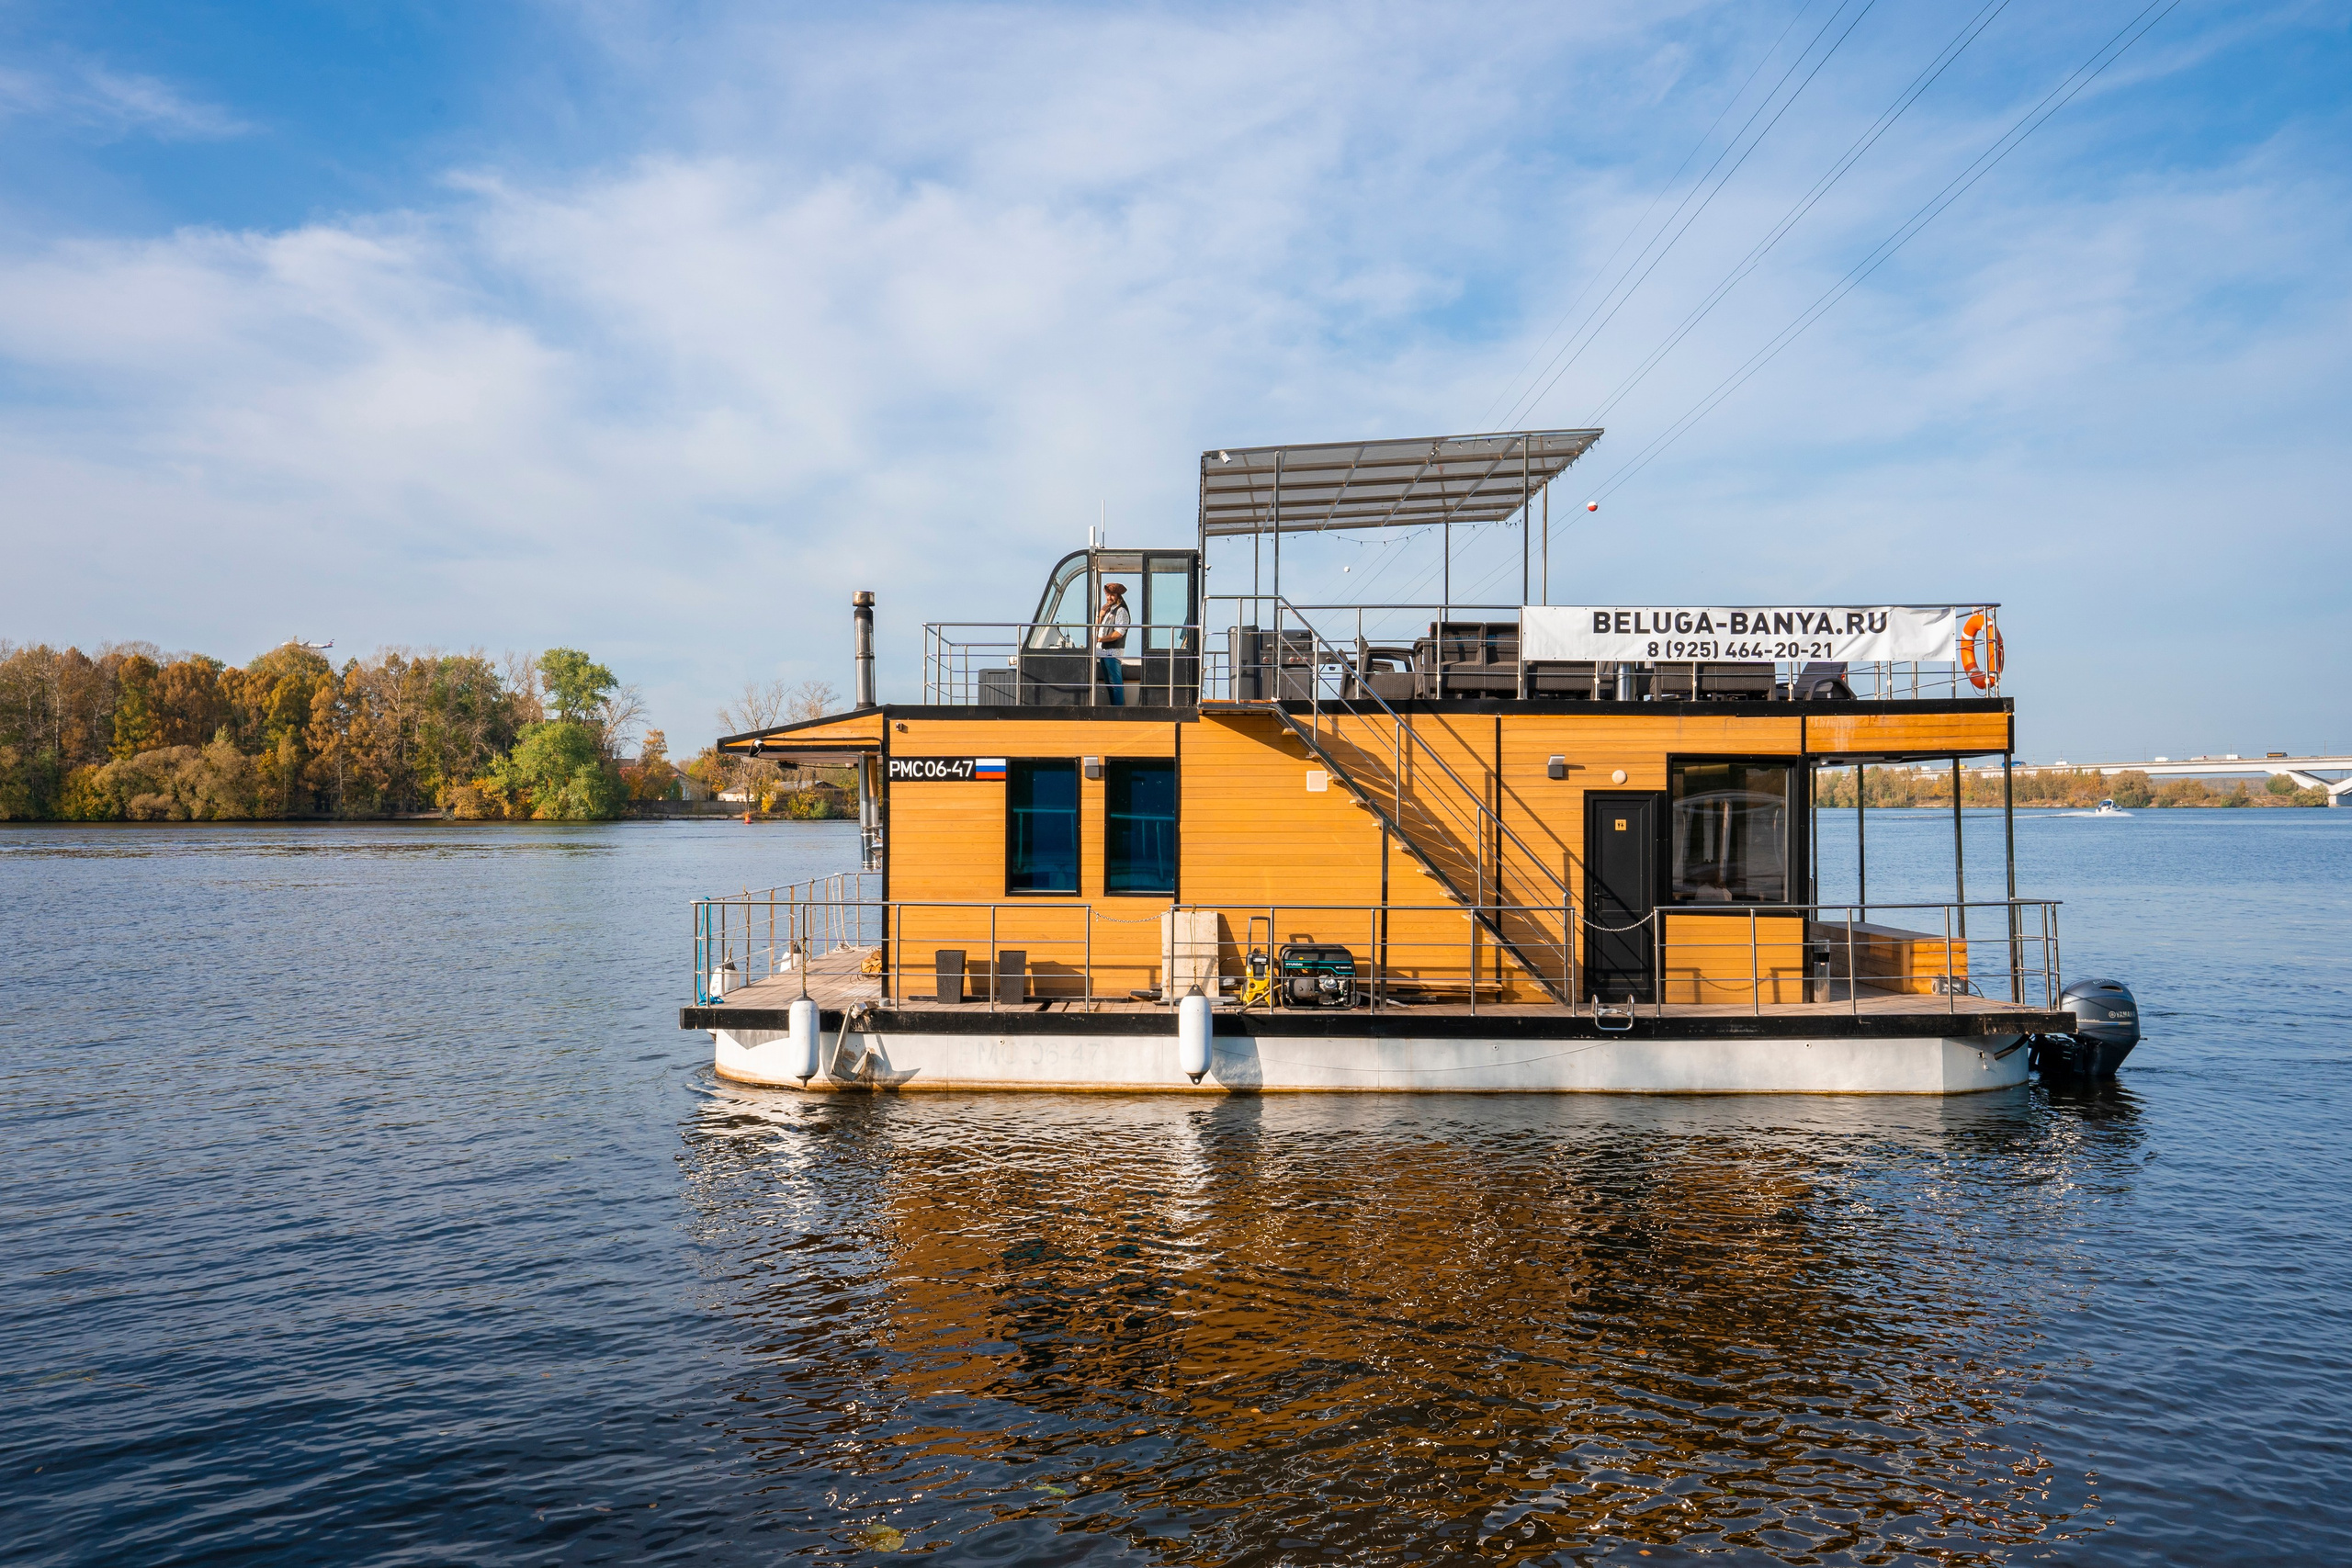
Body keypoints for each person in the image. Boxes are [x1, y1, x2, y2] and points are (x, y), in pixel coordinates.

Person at [1096, 581, 1131, 705]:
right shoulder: (1109, 610)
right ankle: (1114, 709)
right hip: (1103, 652)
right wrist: (1100, 614)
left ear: (1118, 596)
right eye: (1107, 595)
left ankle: (1118, 710)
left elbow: (1118, 633)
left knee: (1115, 684)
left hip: (1113, 652)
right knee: (1109, 684)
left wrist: (1100, 639)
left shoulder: (1121, 611)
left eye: (1112, 595)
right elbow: (1098, 628)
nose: (1109, 598)